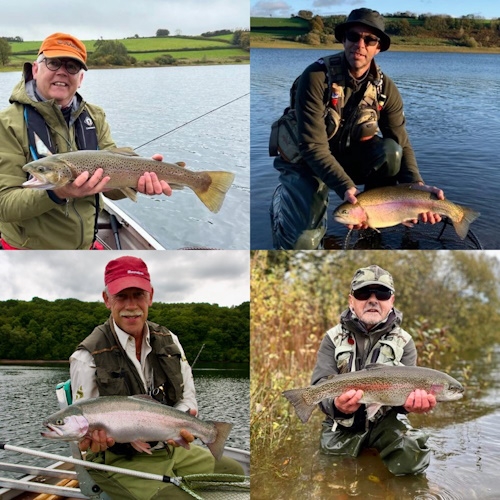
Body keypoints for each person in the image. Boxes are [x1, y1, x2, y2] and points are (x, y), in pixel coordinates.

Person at [70, 255, 244, 499]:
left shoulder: (169, 340)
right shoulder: (86, 356)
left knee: (235, 474)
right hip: (118, 459)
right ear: (107, 299)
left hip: (169, 447)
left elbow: (187, 398)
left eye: (138, 295)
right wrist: (91, 441)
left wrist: (182, 424)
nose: (131, 305)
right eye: (121, 296)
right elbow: (83, 427)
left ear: (150, 295)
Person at [270, 8, 445, 249]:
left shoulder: (386, 89)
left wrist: (417, 186)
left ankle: (372, 222)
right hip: (305, 160)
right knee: (305, 242)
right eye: (353, 36)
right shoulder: (315, 77)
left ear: (378, 47)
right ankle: (282, 206)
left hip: (348, 158)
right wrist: (347, 189)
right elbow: (312, 146)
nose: (360, 44)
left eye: (370, 39)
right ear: (344, 39)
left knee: (391, 151)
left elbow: (401, 142)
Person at [0, 32, 173, 250]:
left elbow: (110, 186)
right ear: (35, 69)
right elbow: (3, 204)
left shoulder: (95, 116)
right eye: (53, 63)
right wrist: (56, 193)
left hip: (86, 248)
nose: (62, 71)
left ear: (80, 79)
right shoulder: (6, 124)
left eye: (72, 67)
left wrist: (136, 182)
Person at [311, 264, 435, 475]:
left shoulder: (405, 342)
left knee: (412, 458)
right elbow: (319, 387)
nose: (373, 299)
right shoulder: (332, 338)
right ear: (351, 300)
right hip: (341, 425)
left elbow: (401, 404)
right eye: (363, 293)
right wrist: (337, 406)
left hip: (385, 423)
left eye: (382, 293)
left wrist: (409, 406)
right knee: (331, 469)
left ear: (391, 301)